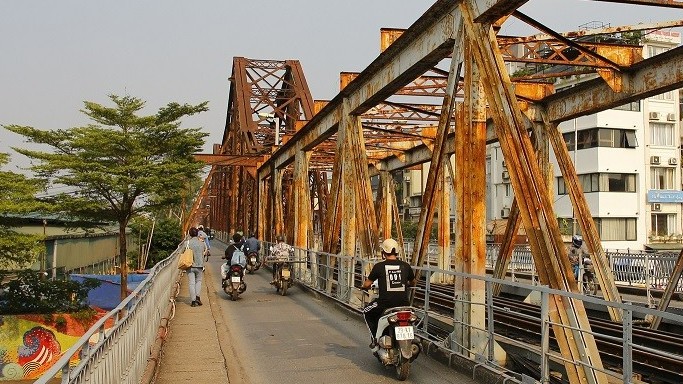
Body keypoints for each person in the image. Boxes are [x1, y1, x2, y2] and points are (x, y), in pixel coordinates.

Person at [360, 238, 416, 351]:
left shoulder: (379, 267)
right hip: (404, 304)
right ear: (397, 252)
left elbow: (367, 284)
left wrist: (364, 287)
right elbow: (413, 282)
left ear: (383, 252)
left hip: (385, 303)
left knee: (367, 311)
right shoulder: (406, 266)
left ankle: (376, 339)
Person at [187, 227, 207, 307]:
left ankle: (193, 301)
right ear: (197, 233)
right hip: (200, 265)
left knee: (191, 283)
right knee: (198, 281)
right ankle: (198, 297)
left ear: (190, 234)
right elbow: (204, 252)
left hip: (190, 265)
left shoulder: (187, 243)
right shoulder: (201, 243)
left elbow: (182, 252)